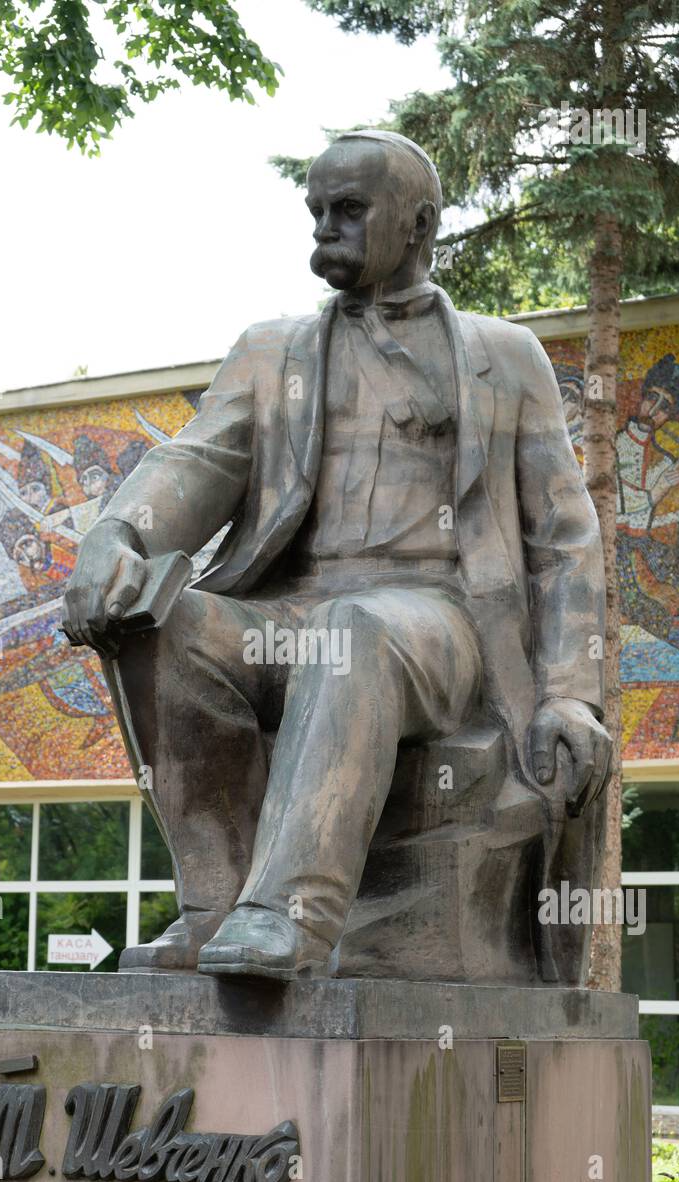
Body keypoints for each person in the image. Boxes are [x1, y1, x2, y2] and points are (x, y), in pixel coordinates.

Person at [63, 130, 610, 981]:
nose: (324, 228)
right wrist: (120, 535)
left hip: (441, 624)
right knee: (157, 624)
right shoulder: (270, 351)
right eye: (317, 210)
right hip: (289, 613)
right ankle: (216, 907)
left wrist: (571, 693)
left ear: (419, 223)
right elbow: (197, 462)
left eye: (349, 209)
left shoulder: (506, 358)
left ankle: (292, 915)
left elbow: (565, 537)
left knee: (353, 630)